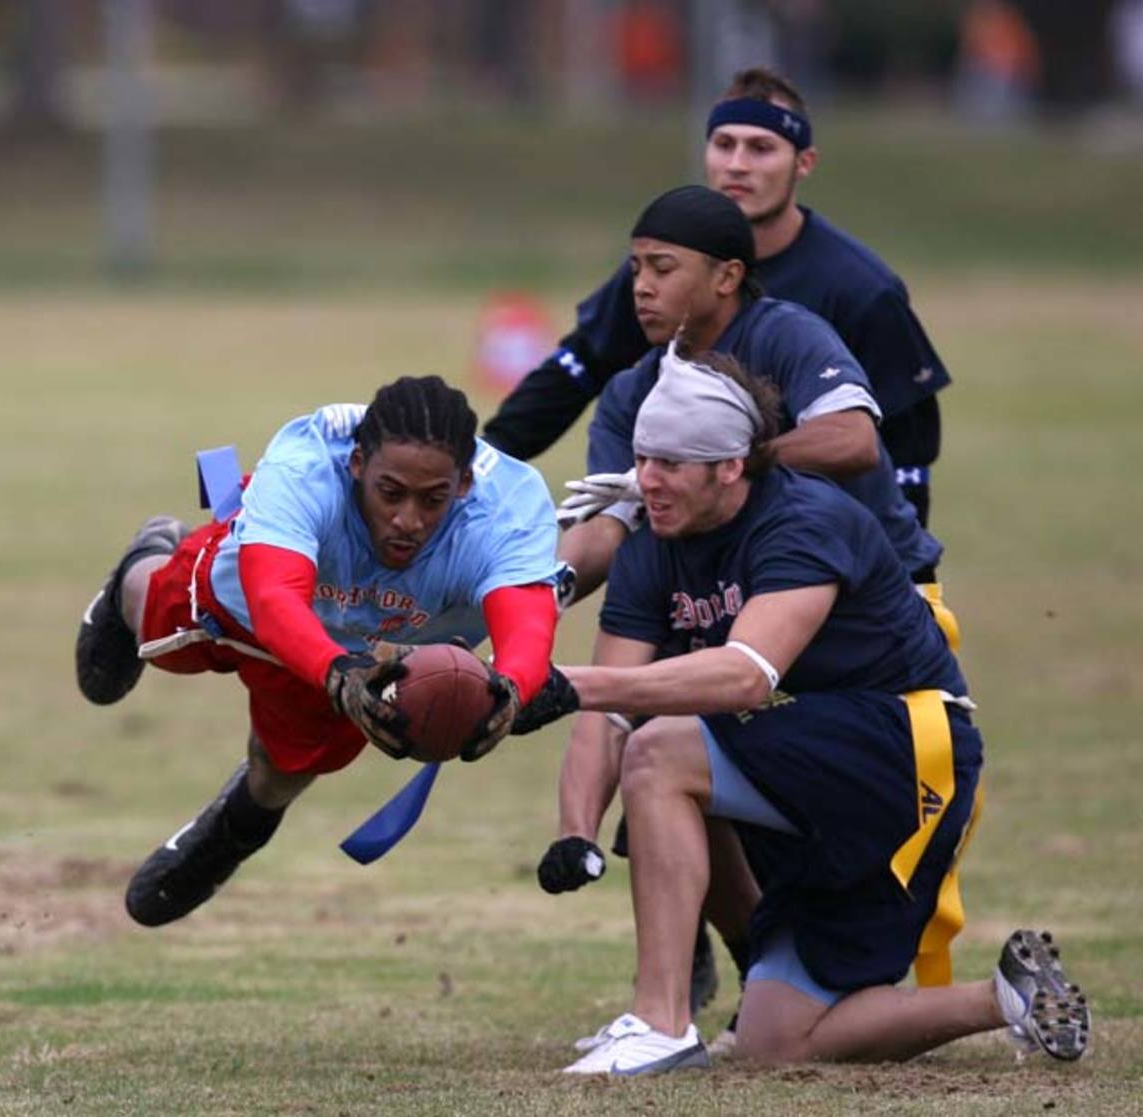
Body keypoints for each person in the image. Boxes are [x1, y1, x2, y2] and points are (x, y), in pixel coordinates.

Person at [512, 345, 1089, 1074]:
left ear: (730, 466)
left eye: (670, 464)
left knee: (665, 753)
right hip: (802, 755)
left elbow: (746, 674)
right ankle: (1009, 997)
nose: (646, 481)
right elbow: (609, 709)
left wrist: (564, 681)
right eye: (643, 458)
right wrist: (574, 828)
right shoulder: (654, 540)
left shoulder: (805, 518)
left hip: (907, 751)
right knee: (773, 1041)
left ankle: (660, 1020)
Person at [75, 375, 565, 927]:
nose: (409, 519)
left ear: (465, 484)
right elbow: (273, 598)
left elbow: (527, 624)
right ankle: (144, 557)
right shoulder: (307, 463)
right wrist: (336, 675)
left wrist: (512, 690)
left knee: (290, 765)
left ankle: (230, 832)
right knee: (155, 632)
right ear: (356, 465)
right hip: (253, 597)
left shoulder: (509, 508)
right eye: (391, 492)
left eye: (433, 500)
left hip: (352, 640)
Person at [483, 66, 949, 528]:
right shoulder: (667, 271)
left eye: (761, 148)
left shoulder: (859, 287)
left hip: (827, 549)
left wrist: (906, 577)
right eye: (724, 144)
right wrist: (479, 469)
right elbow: (577, 369)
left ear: (803, 163)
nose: (737, 165)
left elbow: (905, 444)